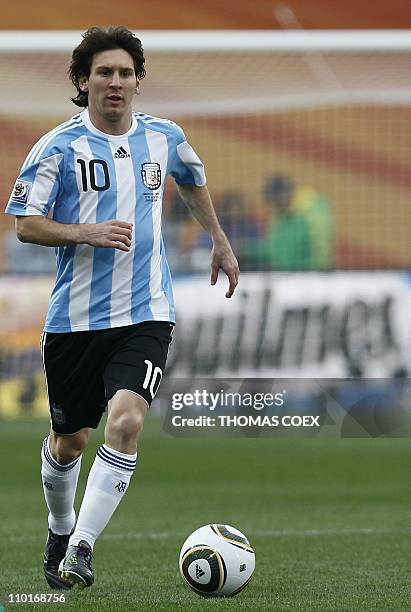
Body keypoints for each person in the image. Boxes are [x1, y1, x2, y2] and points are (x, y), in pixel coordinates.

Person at [4, 26, 239, 590]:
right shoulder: (57, 147)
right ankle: (61, 530)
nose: (116, 82)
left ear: (138, 81)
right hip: (74, 321)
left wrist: (219, 239)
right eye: (104, 73)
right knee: (70, 442)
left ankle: (81, 548)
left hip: (147, 312)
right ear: (83, 82)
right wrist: (87, 232)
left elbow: (193, 178)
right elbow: (25, 226)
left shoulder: (164, 137)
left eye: (125, 73)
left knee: (128, 420)